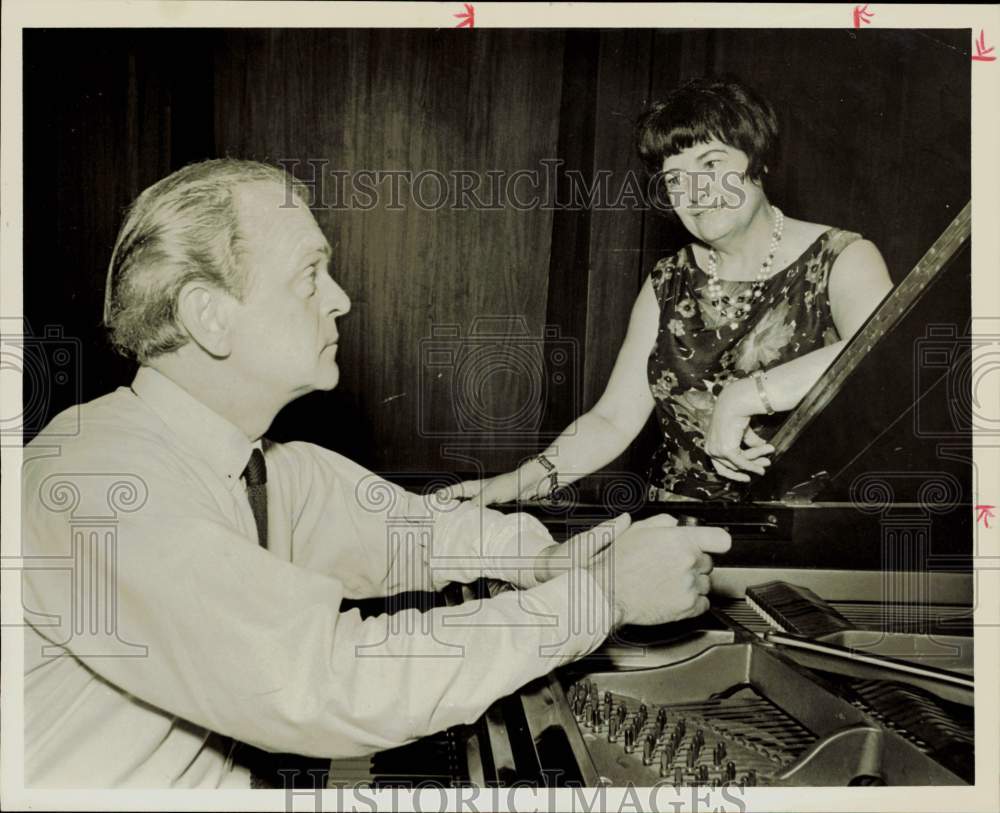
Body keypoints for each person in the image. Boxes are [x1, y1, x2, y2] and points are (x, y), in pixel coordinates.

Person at [20, 159, 730, 788]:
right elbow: (324, 682)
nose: (341, 298)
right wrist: (597, 598)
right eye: (309, 274)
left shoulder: (250, 460)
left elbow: (407, 531)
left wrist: (543, 559)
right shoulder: (101, 480)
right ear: (209, 315)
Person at [446, 77, 893, 504]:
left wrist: (745, 395)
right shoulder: (668, 279)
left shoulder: (843, 257)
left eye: (711, 164)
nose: (693, 192)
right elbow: (614, 419)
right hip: (677, 524)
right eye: (674, 179)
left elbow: (880, 354)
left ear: (759, 160)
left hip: (802, 533)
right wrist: (520, 481)